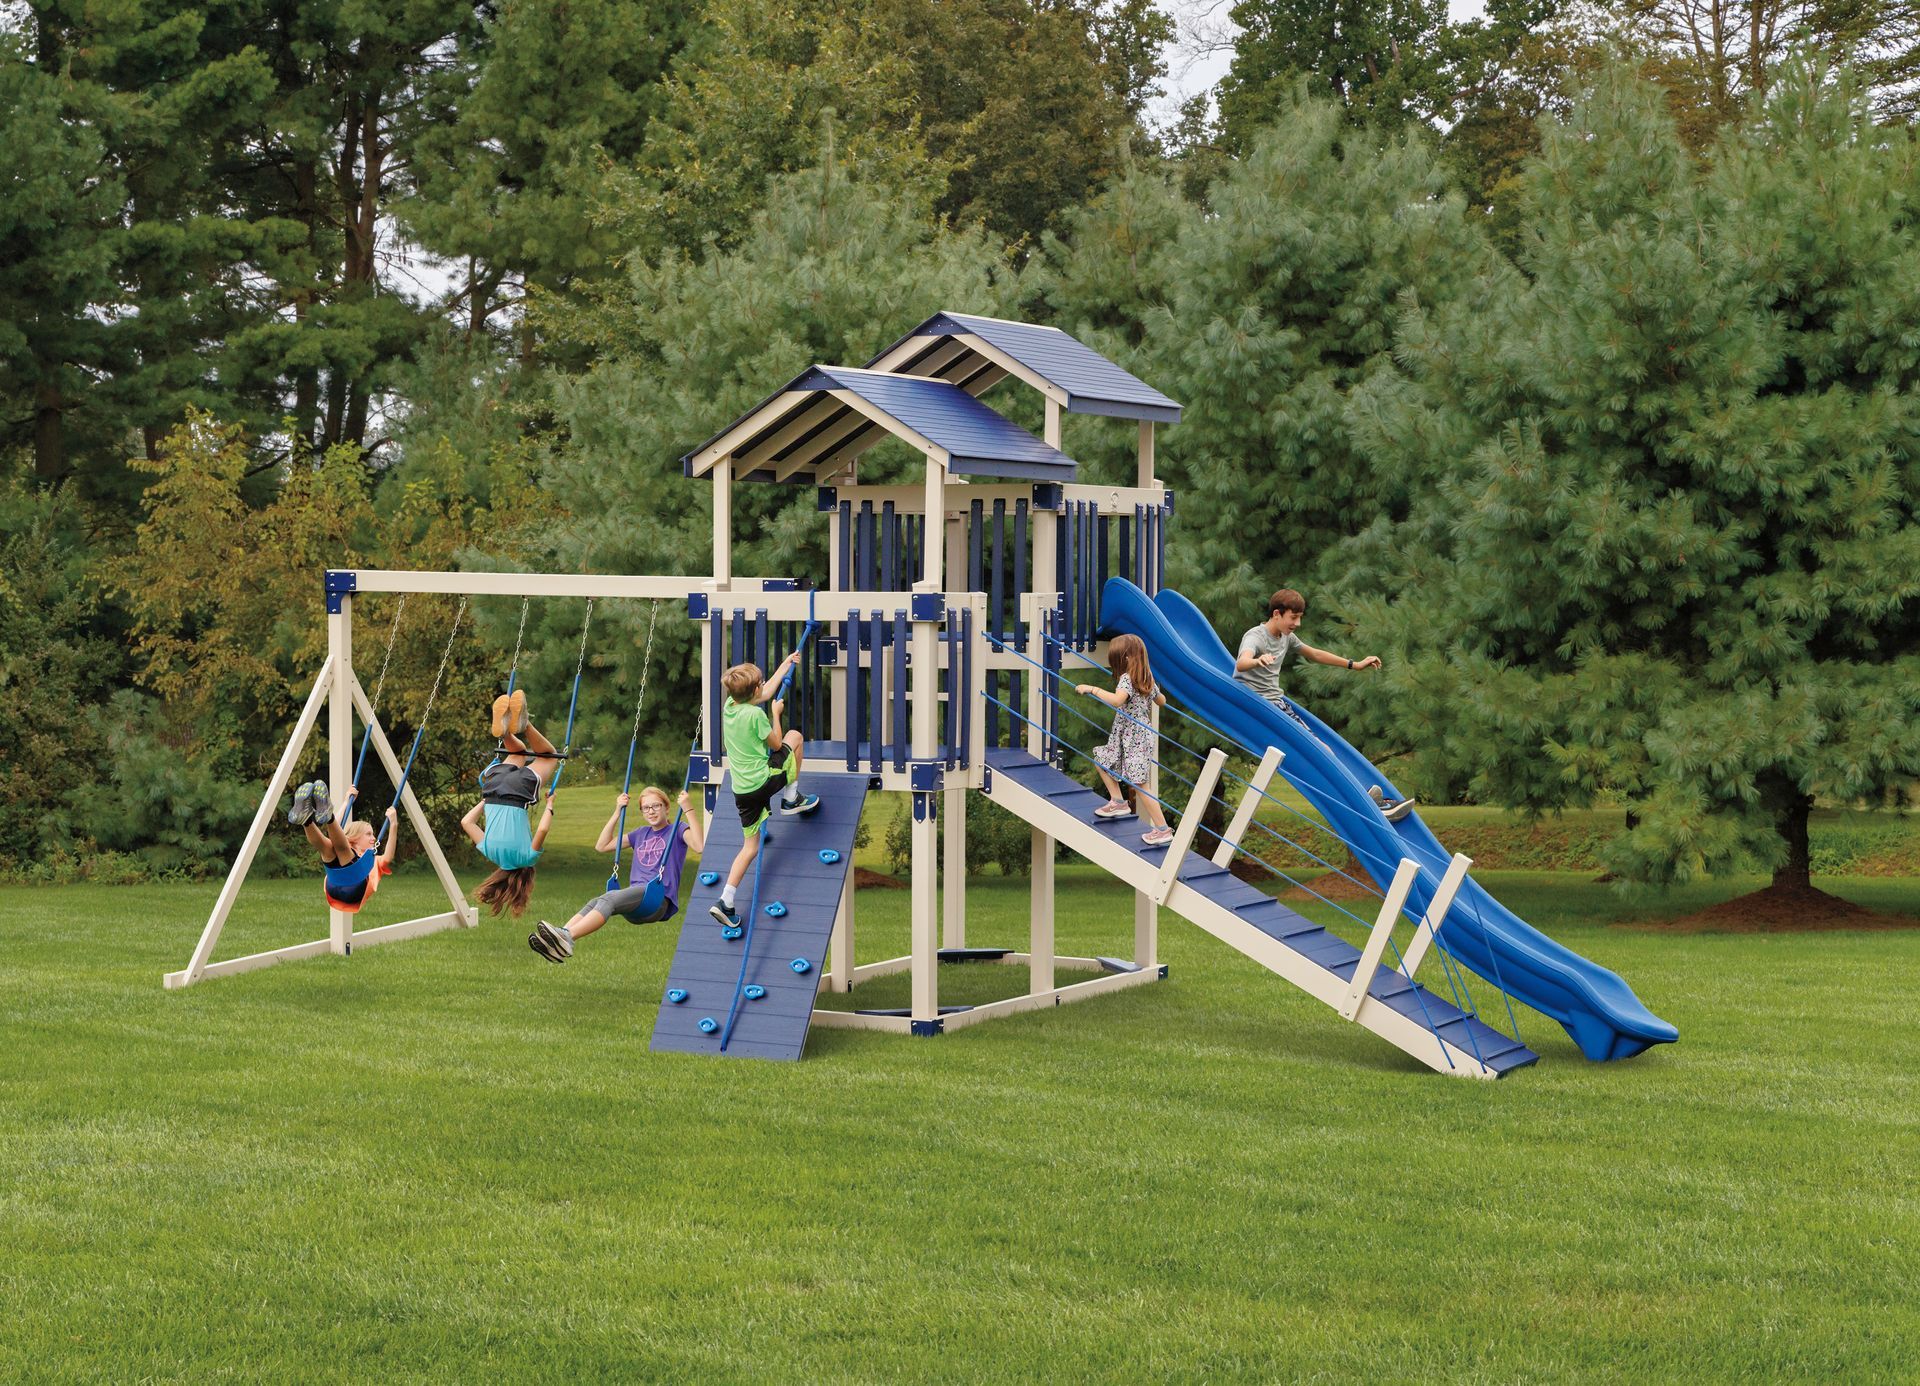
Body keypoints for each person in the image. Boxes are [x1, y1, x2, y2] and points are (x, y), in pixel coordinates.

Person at [1233, 588, 1415, 822]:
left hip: (1277, 704)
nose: (1297, 623)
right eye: (1293, 617)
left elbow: (1315, 654)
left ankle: (1367, 800)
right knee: (1321, 750)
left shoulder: (1286, 637)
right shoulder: (1256, 637)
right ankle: (1367, 804)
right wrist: (1257, 660)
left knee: (1323, 750)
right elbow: (1241, 663)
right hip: (1264, 708)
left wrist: (1354, 664)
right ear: (1277, 614)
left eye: (1300, 617)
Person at [529, 786, 707, 963]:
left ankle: (568, 936)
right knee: (595, 902)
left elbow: (699, 847)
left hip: (657, 899)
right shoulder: (640, 834)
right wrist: (617, 812)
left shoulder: (677, 829)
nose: (651, 811)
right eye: (646, 808)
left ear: (667, 808)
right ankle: (556, 941)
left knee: (609, 899)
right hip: (637, 901)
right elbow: (602, 845)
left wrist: (688, 808)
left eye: (656, 806)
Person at [708, 655, 820, 929]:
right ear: (754, 690)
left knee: (750, 847)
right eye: (760, 682)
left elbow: (766, 690)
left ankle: (726, 900)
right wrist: (776, 714)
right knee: (794, 738)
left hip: (742, 791)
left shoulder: (731, 706)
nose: (762, 686)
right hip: (763, 781)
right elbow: (776, 744)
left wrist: (787, 663)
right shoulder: (756, 715)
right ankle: (792, 797)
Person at [459, 689, 559, 917]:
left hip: (518, 794)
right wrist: (486, 801)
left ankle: (524, 725)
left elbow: (543, 828)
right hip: (492, 787)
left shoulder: (527, 858)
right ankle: (505, 733)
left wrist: (550, 805)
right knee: (520, 753)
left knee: (548, 756)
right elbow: (466, 822)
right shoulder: (490, 853)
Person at [1076, 632, 1174, 846]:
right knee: (1102, 759)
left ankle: (1162, 829)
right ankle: (1118, 802)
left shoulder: (1127, 678)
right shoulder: (1146, 676)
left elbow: (1118, 700)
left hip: (1133, 735)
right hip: (1132, 733)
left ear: (1127, 658)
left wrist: (1092, 689)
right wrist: (1152, 692)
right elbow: (1162, 701)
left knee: (1140, 784)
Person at [287, 780, 398, 913]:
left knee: (336, 848)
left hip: (352, 889)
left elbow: (388, 857)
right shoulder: (349, 847)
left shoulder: (374, 860)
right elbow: (335, 831)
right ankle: (306, 820)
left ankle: (316, 819)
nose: (373, 838)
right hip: (336, 884)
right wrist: (346, 802)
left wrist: (393, 824)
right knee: (327, 846)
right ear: (354, 837)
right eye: (368, 834)